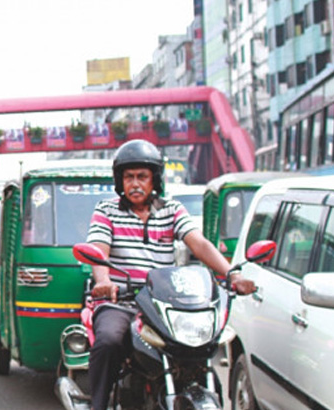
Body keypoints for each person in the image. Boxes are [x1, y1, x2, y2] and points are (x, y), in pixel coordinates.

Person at [85, 139, 255, 410]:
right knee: (109, 341)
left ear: (155, 179)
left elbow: (198, 243)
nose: (135, 183)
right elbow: (98, 249)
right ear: (120, 181)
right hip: (121, 302)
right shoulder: (106, 211)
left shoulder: (171, 209)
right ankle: (99, 405)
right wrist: (104, 281)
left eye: (142, 176)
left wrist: (232, 275)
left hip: (161, 306)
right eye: (129, 177)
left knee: (199, 353)